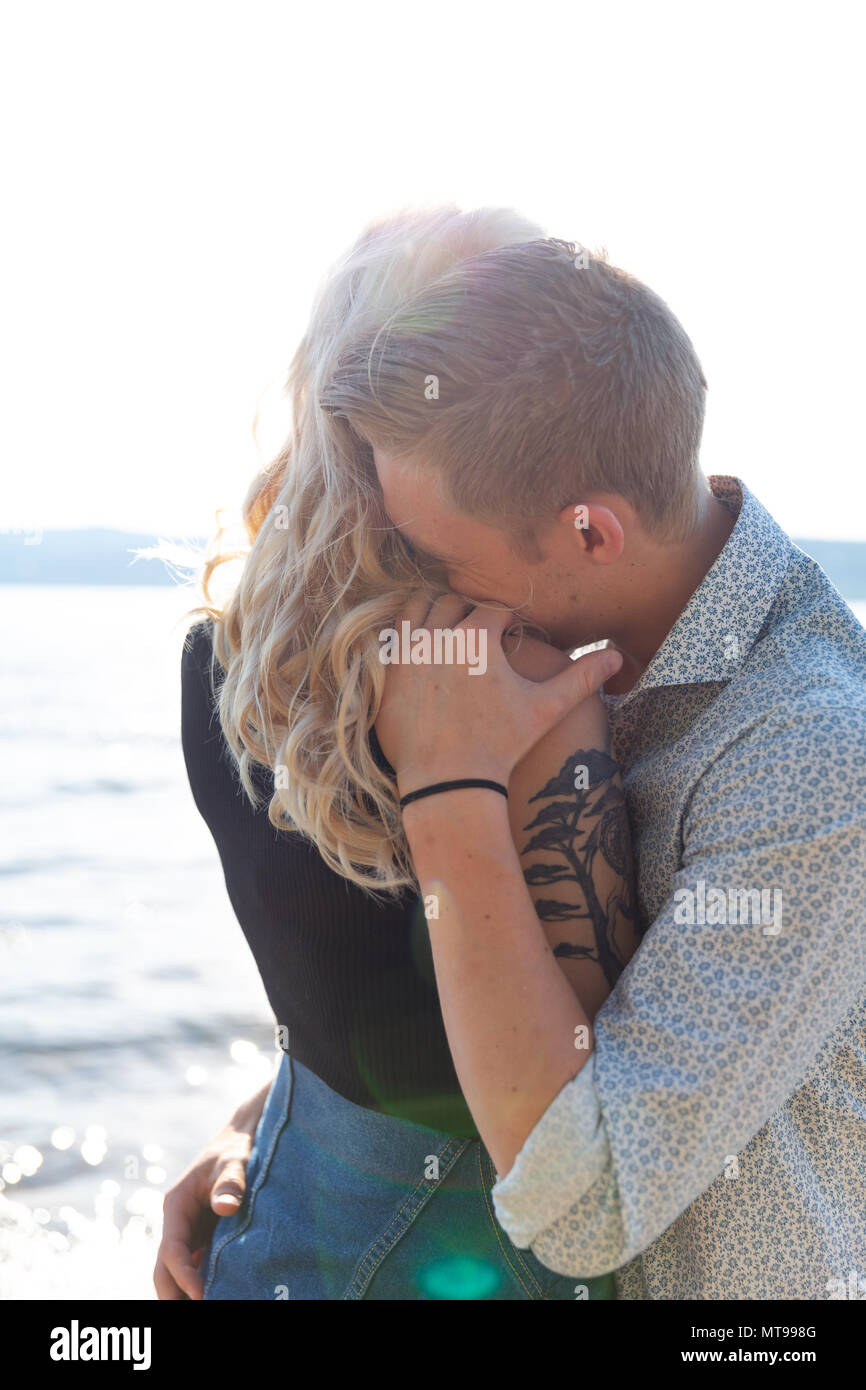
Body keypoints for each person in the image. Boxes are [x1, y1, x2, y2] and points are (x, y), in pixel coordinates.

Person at [154, 205, 641, 1302]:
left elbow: (336, 988)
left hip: (290, 1196)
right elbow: (578, 1113)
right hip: (478, 1240)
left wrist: (248, 1122)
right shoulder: (515, 669)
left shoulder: (225, 656)